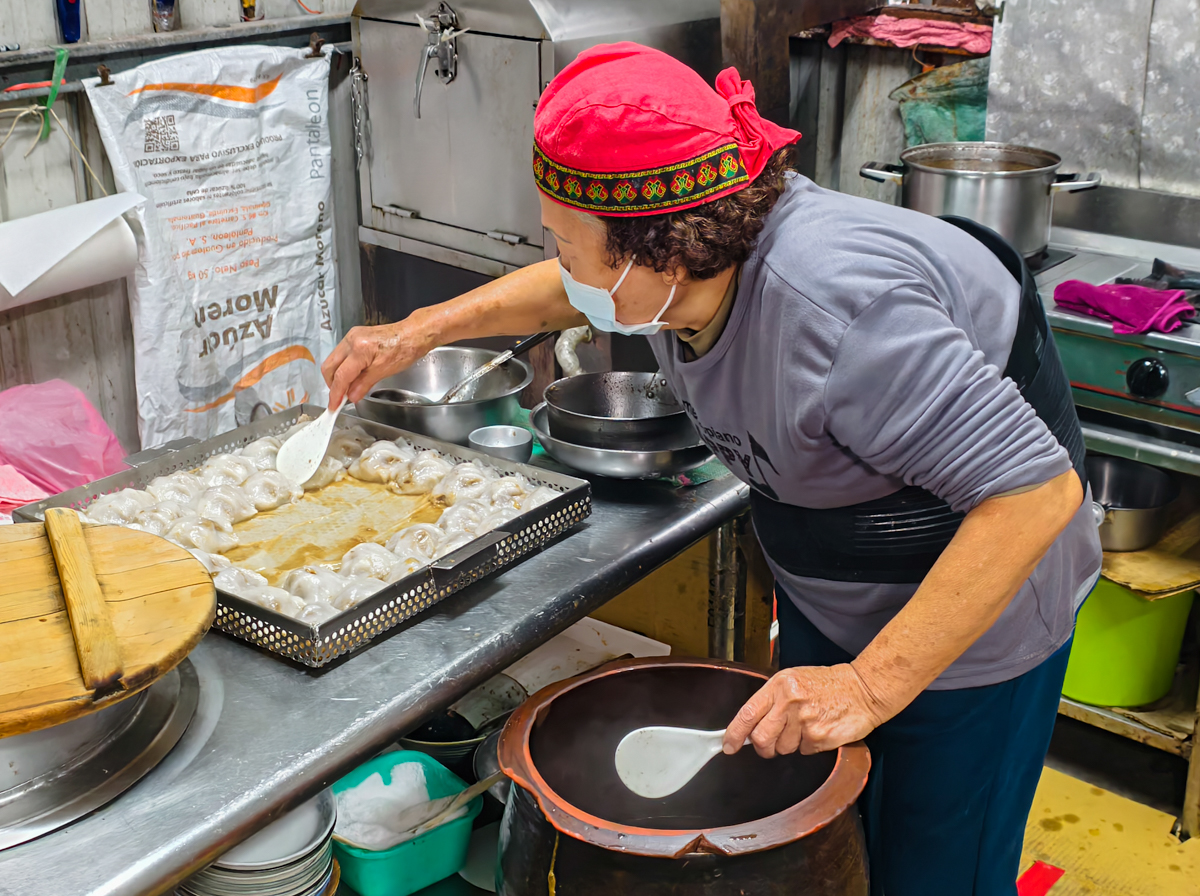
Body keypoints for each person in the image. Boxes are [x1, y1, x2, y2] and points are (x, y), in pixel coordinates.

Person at [323, 43, 1102, 895]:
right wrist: (419, 332)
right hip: (835, 583)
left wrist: (869, 686)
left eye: (568, 245)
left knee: (935, 870)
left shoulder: (839, 316)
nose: (563, 265)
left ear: (659, 254)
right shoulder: (684, 267)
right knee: (835, 844)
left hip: (974, 619)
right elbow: (566, 288)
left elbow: (1034, 493)